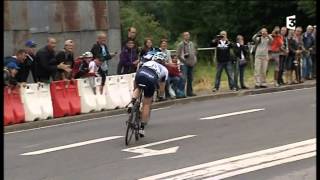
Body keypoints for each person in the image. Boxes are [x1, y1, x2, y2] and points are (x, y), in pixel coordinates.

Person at [128, 52, 169, 137]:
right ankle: (142, 128)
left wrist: (135, 88)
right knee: (146, 104)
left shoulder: (148, 62)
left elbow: (138, 71)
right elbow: (162, 86)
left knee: (138, 88)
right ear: (164, 61)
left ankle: (132, 102)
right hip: (151, 79)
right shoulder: (165, 70)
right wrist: (160, 95)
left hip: (141, 73)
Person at [176, 32, 197, 96]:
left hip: (191, 63)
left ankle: (189, 92)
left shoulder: (191, 44)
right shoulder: (181, 44)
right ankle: (180, 92)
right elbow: (178, 55)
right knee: (183, 78)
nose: (187, 36)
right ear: (183, 36)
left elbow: (194, 52)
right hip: (184, 64)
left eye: (188, 35)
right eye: (186, 35)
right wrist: (184, 61)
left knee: (191, 78)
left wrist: (194, 60)